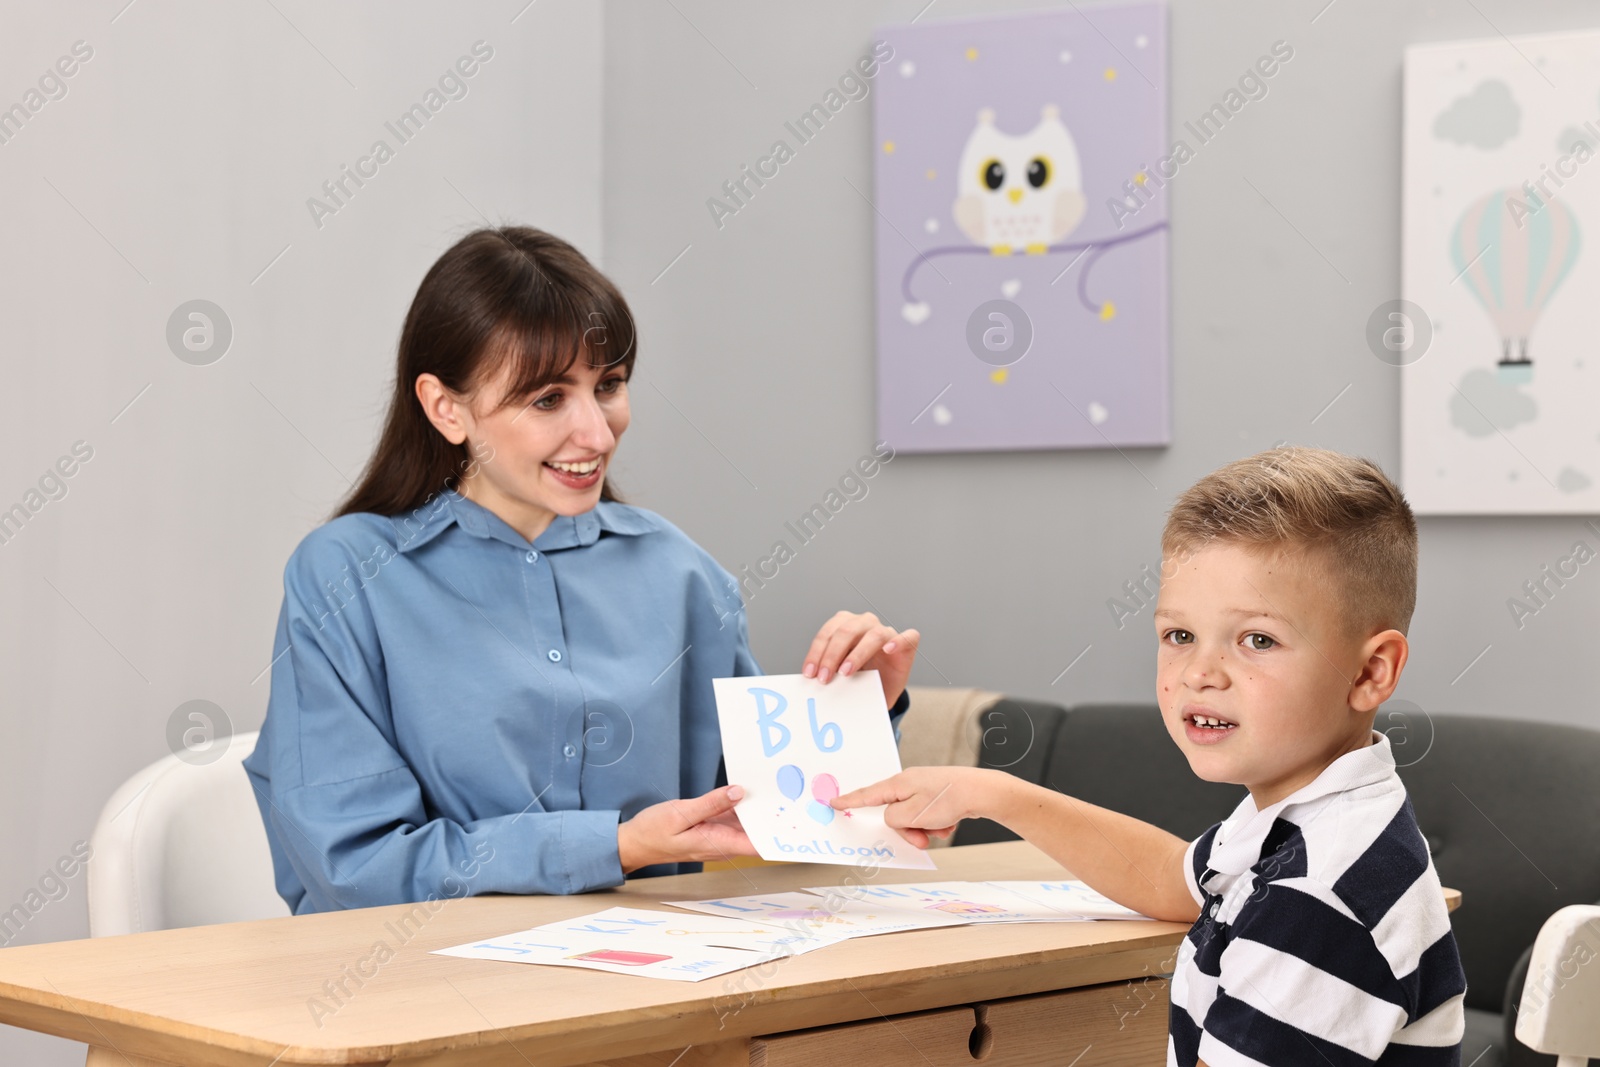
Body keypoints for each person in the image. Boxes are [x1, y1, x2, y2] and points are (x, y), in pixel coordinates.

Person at [242, 225, 919, 915]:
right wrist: (615, 846)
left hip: (654, 984)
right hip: (424, 986)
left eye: (610, 386)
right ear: (447, 408)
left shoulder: (682, 573)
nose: (598, 433)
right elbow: (354, 865)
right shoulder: (345, 578)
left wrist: (860, 708)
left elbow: (768, 823)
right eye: (547, 399)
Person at [831, 446, 1467, 1066]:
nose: (1199, 673)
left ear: (1370, 673)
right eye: (1179, 635)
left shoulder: (1317, 900)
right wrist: (989, 793)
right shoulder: (1318, 817)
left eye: (1257, 639)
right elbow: (1170, 878)